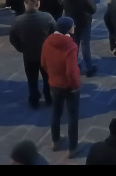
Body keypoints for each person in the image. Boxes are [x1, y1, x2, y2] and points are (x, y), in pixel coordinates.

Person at [41, 16, 81, 158]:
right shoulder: (71, 46)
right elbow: (71, 70)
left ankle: (55, 140)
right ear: (67, 28)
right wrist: (75, 85)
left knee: (56, 113)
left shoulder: (47, 42)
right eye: (72, 25)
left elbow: (44, 63)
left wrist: (52, 75)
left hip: (54, 84)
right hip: (69, 86)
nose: (74, 27)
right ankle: (72, 147)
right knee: (72, 116)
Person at [10, 0, 57, 108]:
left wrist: (21, 48)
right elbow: (54, 33)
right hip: (45, 54)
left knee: (32, 78)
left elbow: (13, 39)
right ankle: (48, 97)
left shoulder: (18, 20)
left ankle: (34, 99)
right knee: (47, 77)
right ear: (38, 4)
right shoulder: (47, 17)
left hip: (29, 54)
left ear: (25, 4)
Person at [62, 0, 98, 77]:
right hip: (84, 22)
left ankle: (74, 66)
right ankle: (89, 68)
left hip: (72, 22)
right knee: (85, 45)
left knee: (74, 45)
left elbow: (63, 5)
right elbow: (93, 9)